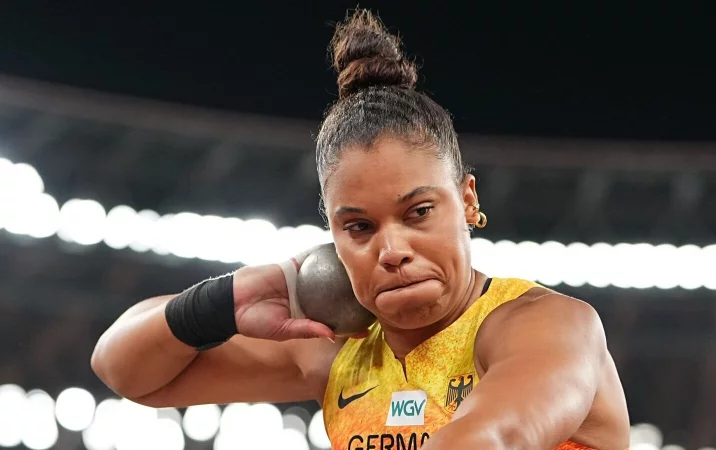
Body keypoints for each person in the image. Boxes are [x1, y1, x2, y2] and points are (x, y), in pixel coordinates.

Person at [91, 9, 630, 450]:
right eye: (359, 227)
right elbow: (124, 369)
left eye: (419, 212)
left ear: (467, 200)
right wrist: (223, 300)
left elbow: (489, 439)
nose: (391, 250)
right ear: (330, 235)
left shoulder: (548, 326)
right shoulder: (337, 349)